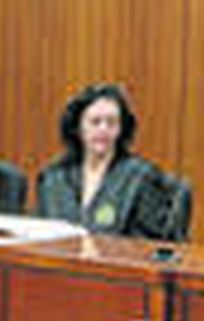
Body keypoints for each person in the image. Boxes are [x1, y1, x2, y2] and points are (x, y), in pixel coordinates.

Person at [35, 83, 182, 239]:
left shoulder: (141, 178)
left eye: (111, 122)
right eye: (95, 122)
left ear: (121, 129)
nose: (103, 129)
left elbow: (149, 244)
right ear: (78, 127)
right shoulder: (53, 177)